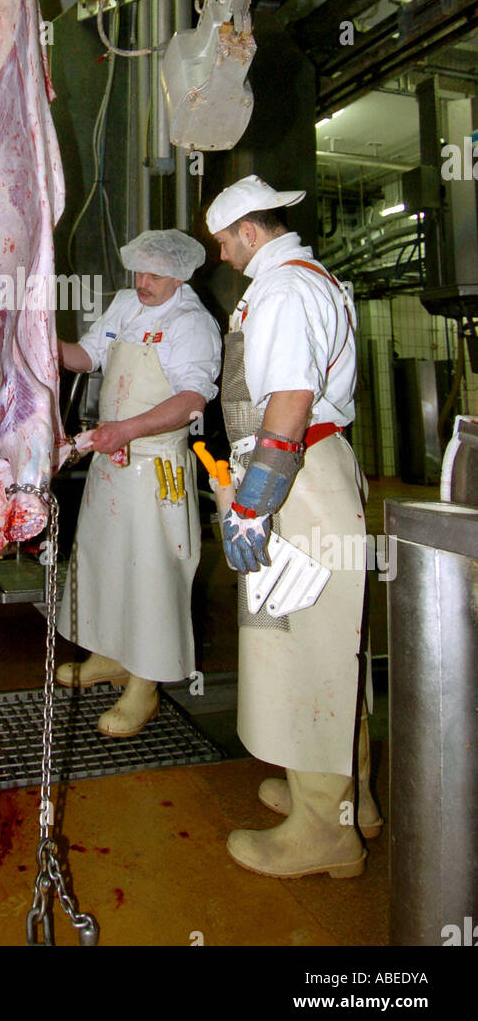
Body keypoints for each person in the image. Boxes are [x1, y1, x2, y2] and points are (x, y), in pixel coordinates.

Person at [205, 174, 380, 879]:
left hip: (298, 482)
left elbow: (289, 405)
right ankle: (348, 799)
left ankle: (325, 832)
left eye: (223, 241)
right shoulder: (313, 278)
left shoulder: (281, 290)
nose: (220, 255)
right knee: (336, 645)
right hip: (315, 474)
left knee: (311, 648)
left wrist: (253, 505)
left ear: (250, 230)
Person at [56, 229, 221, 738]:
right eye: (138, 271)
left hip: (156, 466)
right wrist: (37, 338)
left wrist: (124, 430)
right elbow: (87, 356)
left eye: (154, 274)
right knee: (104, 559)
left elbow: (193, 399)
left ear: (182, 274)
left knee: (152, 573)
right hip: (111, 459)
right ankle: (109, 653)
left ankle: (145, 685)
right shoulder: (127, 304)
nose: (142, 282)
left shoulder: (192, 324)